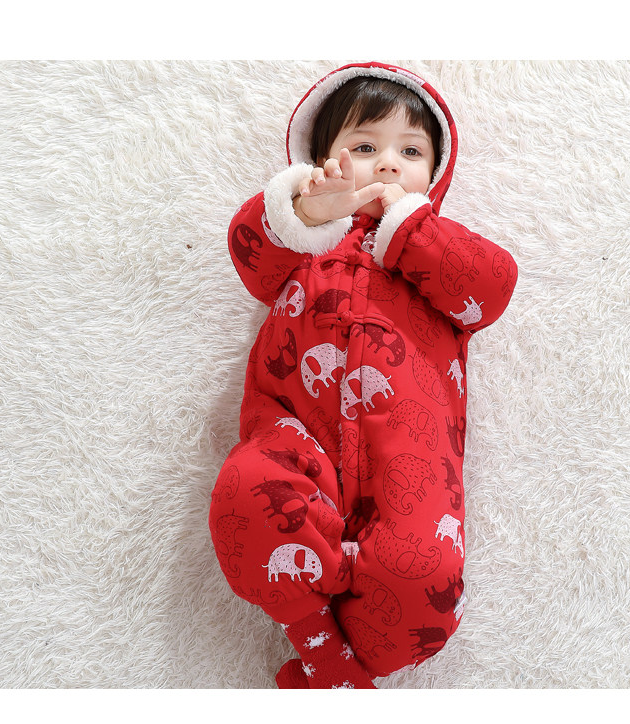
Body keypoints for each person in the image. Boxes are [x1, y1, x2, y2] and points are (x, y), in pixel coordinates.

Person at [209, 62, 518, 689]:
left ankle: (351, 668)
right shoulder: (307, 243)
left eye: (411, 152)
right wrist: (305, 210)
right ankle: (319, 646)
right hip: (298, 440)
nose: (388, 165)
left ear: (435, 173)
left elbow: (491, 289)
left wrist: (414, 230)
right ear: (323, 160)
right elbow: (249, 255)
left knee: (425, 575)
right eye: (365, 147)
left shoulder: (436, 252)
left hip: (410, 461)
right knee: (248, 491)